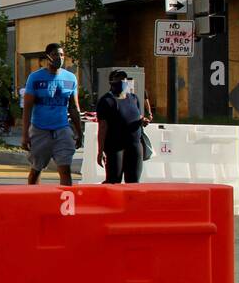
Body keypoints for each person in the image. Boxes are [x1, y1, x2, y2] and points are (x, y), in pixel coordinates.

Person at [21, 42, 83, 186]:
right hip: (40, 129)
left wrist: (79, 131)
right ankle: (34, 198)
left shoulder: (70, 78)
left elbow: (74, 107)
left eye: (61, 55)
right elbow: (28, 107)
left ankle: (66, 202)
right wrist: (25, 134)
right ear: (48, 57)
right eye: (55, 55)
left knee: (65, 168)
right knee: (37, 168)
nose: (59, 58)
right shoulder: (35, 78)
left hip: (62, 129)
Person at [96, 70, 146, 184]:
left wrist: (142, 121)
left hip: (134, 145)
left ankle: (131, 201)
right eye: (118, 79)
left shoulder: (133, 98)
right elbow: (102, 127)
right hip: (115, 146)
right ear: (111, 82)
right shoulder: (106, 101)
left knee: (133, 181)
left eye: (124, 79)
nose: (122, 81)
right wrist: (100, 150)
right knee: (114, 180)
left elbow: (137, 116)